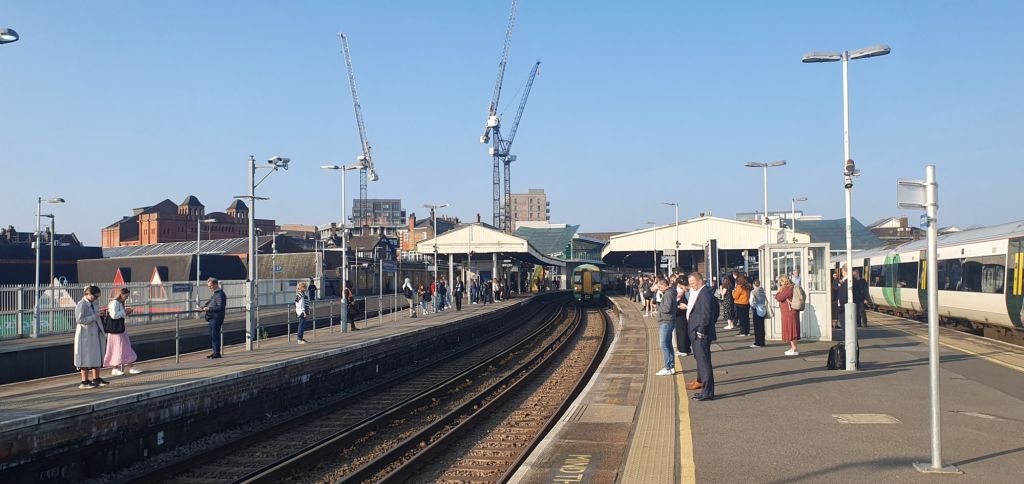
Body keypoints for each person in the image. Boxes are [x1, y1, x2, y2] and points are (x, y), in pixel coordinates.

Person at [686, 272, 717, 401]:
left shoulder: (705, 293)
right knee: (701, 361)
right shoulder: (701, 292)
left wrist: (701, 331)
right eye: (690, 283)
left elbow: (706, 314)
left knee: (704, 363)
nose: (691, 286)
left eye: (693, 283)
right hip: (696, 332)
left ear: (700, 281)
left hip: (700, 334)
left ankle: (707, 393)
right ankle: (704, 388)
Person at [75, 285, 109, 389]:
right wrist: (95, 316)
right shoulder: (81, 305)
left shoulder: (94, 303)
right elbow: (79, 320)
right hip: (85, 334)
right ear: (88, 294)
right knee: (84, 357)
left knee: (96, 356)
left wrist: (101, 314)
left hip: (95, 333)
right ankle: (84, 381)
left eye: (98, 297)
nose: (96, 298)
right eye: (95, 296)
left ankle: (96, 378)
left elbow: (96, 315)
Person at [105, 288, 140, 376]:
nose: (126, 298)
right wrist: (125, 311)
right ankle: (119, 367)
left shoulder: (119, 303)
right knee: (119, 347)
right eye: (126, 296)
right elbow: (114, 315)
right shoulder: (115, 303)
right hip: (116, 331)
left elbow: (119, 315)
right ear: (121, 294)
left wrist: (126, 312)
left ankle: (127, 367)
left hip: (120, 330)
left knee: (123, 347)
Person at [655, 279, 677, 376]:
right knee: (668, 344)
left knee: (663, 345)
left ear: (664, 285)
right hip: (669, 321)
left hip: (666, 321)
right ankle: (671, 367)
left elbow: (667, 308)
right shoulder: (671, 293)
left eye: (659, 287)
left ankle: (667, 367)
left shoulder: (668, 294)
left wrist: (658, 307)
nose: (659, 289)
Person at [775, 274, 800, 356]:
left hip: (789, 312)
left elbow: (779, 297)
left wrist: (778, 292)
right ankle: (793, 348)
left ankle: (794, 349)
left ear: (784, 281)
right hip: (790, 312)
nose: (780, 283)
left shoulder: (788, 288)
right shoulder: (791, 287)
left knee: (791, 330)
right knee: (791, 330)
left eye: (781, 281)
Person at [201, 277, 226, 359]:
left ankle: (217, 353)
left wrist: (209, 309)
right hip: (212, 317)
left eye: (210, 286)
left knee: (215, 335)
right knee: (212, 335)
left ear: (215, 284)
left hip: (216, 318)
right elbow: (212, 304)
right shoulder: (216, 294)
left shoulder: (220, 294)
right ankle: (215, 351)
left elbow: (220, 307)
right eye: (208, 286)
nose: (209, 288)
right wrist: (203, 307)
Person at [674, 278, 692, 356]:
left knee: (681, 332)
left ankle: (683, 350)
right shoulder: (687, 291)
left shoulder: (687, 292)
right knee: (684, 331)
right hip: (684, 314)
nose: (681, 289)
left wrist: (685, 306)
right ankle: (686, 349)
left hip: (682, 314)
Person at [749, 279, 768, 348]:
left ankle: (758, 342)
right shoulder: (763, 290)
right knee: (762, 326)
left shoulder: (753, 291)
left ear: (753, 285)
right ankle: (762, 341)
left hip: (757, 309)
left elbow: (751, 302)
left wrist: (753, 307)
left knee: (757, 327)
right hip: (763, 308)